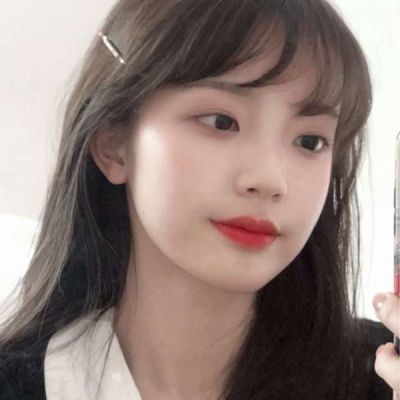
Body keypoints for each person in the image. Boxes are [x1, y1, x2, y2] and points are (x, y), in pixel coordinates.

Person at [0, 0, 399, 399]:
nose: (269, 179)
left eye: (310, 141)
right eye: (221, 122)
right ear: (114, 146)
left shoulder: (383, 374)